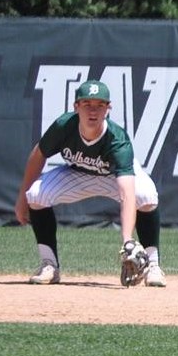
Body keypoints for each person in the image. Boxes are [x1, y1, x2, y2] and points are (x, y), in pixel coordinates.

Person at [15, 79, 166, 286]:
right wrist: (22, 199)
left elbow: (126, 194)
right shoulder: (63, 126)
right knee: (35, 194)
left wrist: (127, 240)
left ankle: (153, 266)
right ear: (76, 107)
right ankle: (49, 264)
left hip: (113, 178)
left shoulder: (117, 139)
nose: (93, 111)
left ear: (108, 109)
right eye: (87, 105)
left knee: (146, 196)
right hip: (77, 175)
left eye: (100, 105)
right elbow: (38, 155)